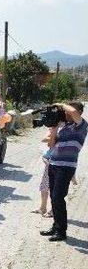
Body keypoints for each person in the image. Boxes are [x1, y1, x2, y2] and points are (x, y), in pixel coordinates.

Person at [40, 102, 87, 242]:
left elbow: (72, 110)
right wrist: (54, 131)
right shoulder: (64, 126)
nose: (65, 113)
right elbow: (51, 145)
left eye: (67, 111)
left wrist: (60, 104)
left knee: (58, 197)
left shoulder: (81, 126)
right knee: (54, 197)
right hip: (54, 164)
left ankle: (61, 232)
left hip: (66, 166)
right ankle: (55, 227)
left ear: (78, 112)